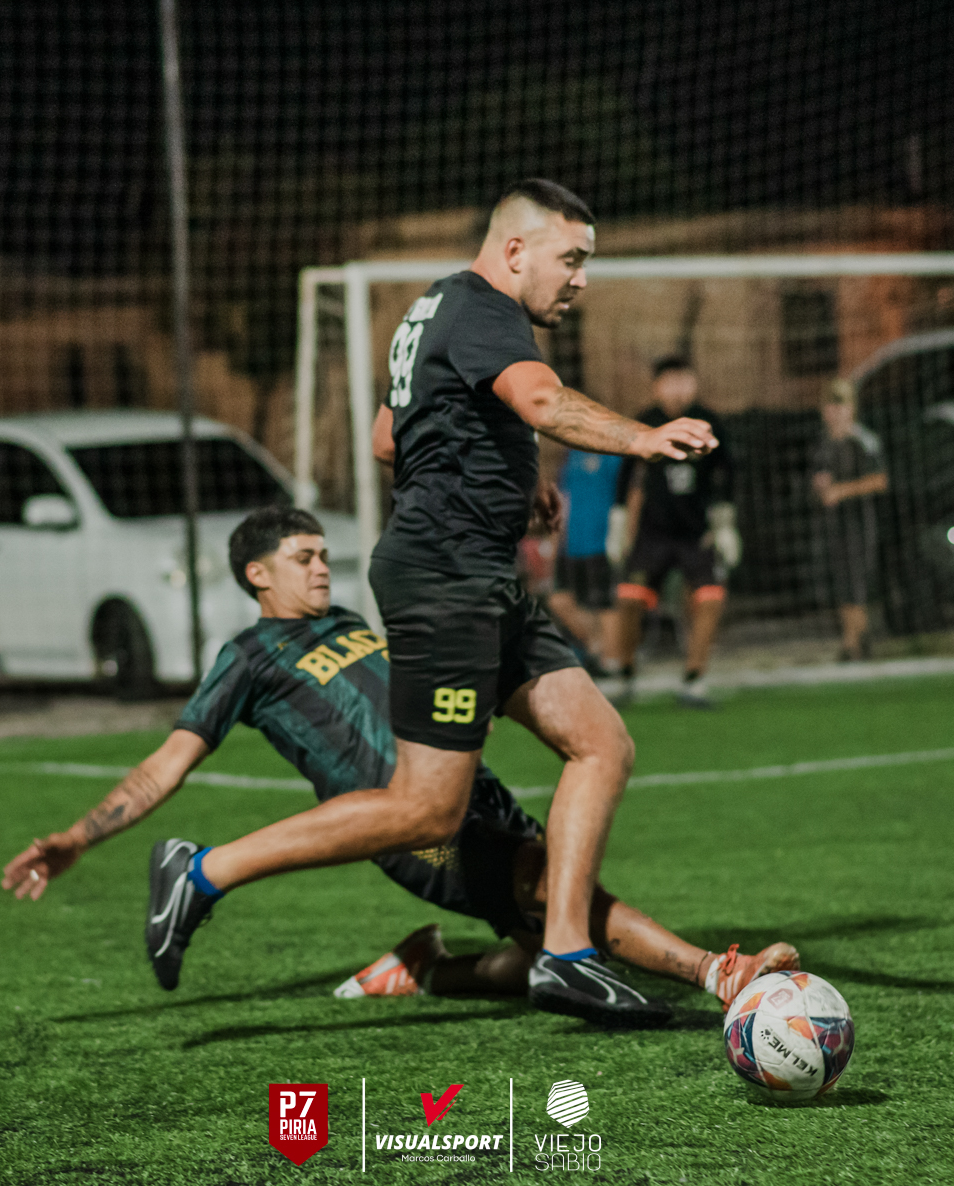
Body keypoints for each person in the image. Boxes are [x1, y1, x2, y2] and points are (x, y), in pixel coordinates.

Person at [120, 179, 717, 1028]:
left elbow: (386, 437)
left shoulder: (434, 309)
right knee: (427, 808)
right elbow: (543, 400)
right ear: (516, 250)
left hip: (478, 574)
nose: (581, 280)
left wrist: (509, 482)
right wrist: (643, 437)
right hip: (446, 578)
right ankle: (202, 871)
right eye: (572, 259)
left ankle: (567, 955)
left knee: (601, 743)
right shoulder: (484, 311)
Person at [2, 508, 798, 1016]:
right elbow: (166, 763)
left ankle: (428, 969)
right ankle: (718, 973)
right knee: (551, 891)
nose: (322, 566)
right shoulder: (247, 655)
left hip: (473, 791)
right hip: (412, 827)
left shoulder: (350, 619)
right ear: (257, 574)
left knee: (534, 942)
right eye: (303, 556)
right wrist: (80, 835)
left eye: (323, 553)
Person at [605, 357, 738, 708]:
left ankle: (694, 680)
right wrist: (619, 523)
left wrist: (725, 523)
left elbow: (728, 471)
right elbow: (625, 474)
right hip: (653, 534)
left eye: (684, 381)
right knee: (629, 599)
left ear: (694, 384)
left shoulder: (709, 422)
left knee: (710, 598)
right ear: (657, 387)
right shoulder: (645, 421)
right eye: (670, 381)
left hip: (697, 534)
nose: (678, 389)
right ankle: (625, 676)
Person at [811, 380, 888, 661]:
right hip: (833, 523)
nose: (835, 411)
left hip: (858, 521)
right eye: (830, 405)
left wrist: (842, 491)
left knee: (856, 582)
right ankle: (853, 640)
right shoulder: (824, 443)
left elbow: (879, 480)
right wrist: (820, 486)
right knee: (841, 582)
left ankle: (856, 643)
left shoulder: (863, 440)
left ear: (851, 408)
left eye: (840, 405)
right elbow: (820, 480)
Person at [546, 448, 620, 671]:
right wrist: (555, 542)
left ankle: (611, 661)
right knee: (560, 601)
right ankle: (596, 650)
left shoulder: (612, 454)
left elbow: (630, 494)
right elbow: (562, 500)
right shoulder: (570, 455)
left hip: (601, 540)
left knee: (604, 604)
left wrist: (621, 536)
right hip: (570, 543)